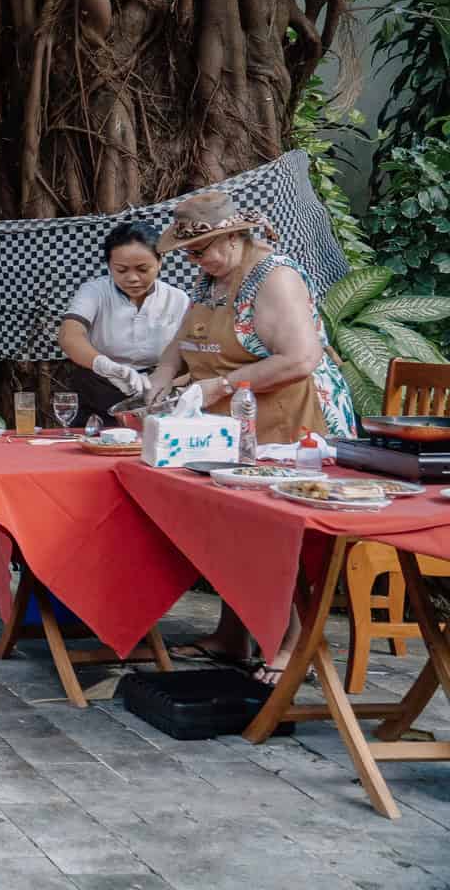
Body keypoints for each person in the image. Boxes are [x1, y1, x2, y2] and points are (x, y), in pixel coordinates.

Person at [147, 190, 356, 680]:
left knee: (281, 529)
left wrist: (217, 383)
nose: (194, 261)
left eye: (199, 251)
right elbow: (181, 342)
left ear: (233, 237)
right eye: (188, 253)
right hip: (238, 419)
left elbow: (300, 359)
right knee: (230, 521)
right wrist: (161, 377)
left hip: (297, 419)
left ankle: (294, 643)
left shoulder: (274, 277)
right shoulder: (212, 276)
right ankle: (233, 635)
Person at [57, 221, 189, 422]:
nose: (133, 278)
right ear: (109, 265)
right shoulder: (95, 292)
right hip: (98, 390)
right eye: (121, 270)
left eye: (143, 269)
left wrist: (167, 381)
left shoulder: (177, 299)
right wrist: (103, 364)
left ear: (160, 261)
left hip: (156, 395)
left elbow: (191, 352)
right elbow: (70, 335)